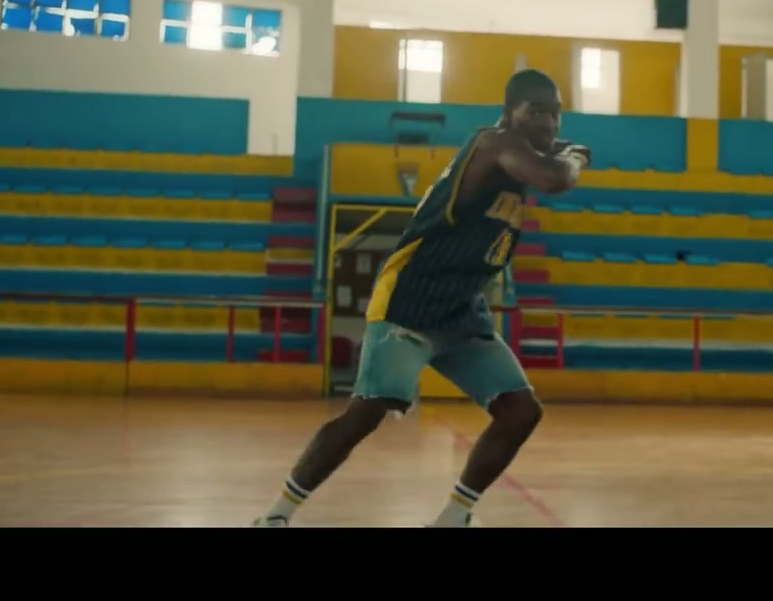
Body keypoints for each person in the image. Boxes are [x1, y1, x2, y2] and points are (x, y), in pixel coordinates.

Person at [253, 69, 591, 528]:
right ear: (509, 112)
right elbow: (553, 179)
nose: (548, 123)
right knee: (366, 412)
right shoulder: (495, 143)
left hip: (461, 308)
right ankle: (275, 517)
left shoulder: (515, 155)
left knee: (520, 410)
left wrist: (554, 153)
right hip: (410, 299)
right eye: (536, 111)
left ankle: (454, 517)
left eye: (554, 113)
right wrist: (573, 156)